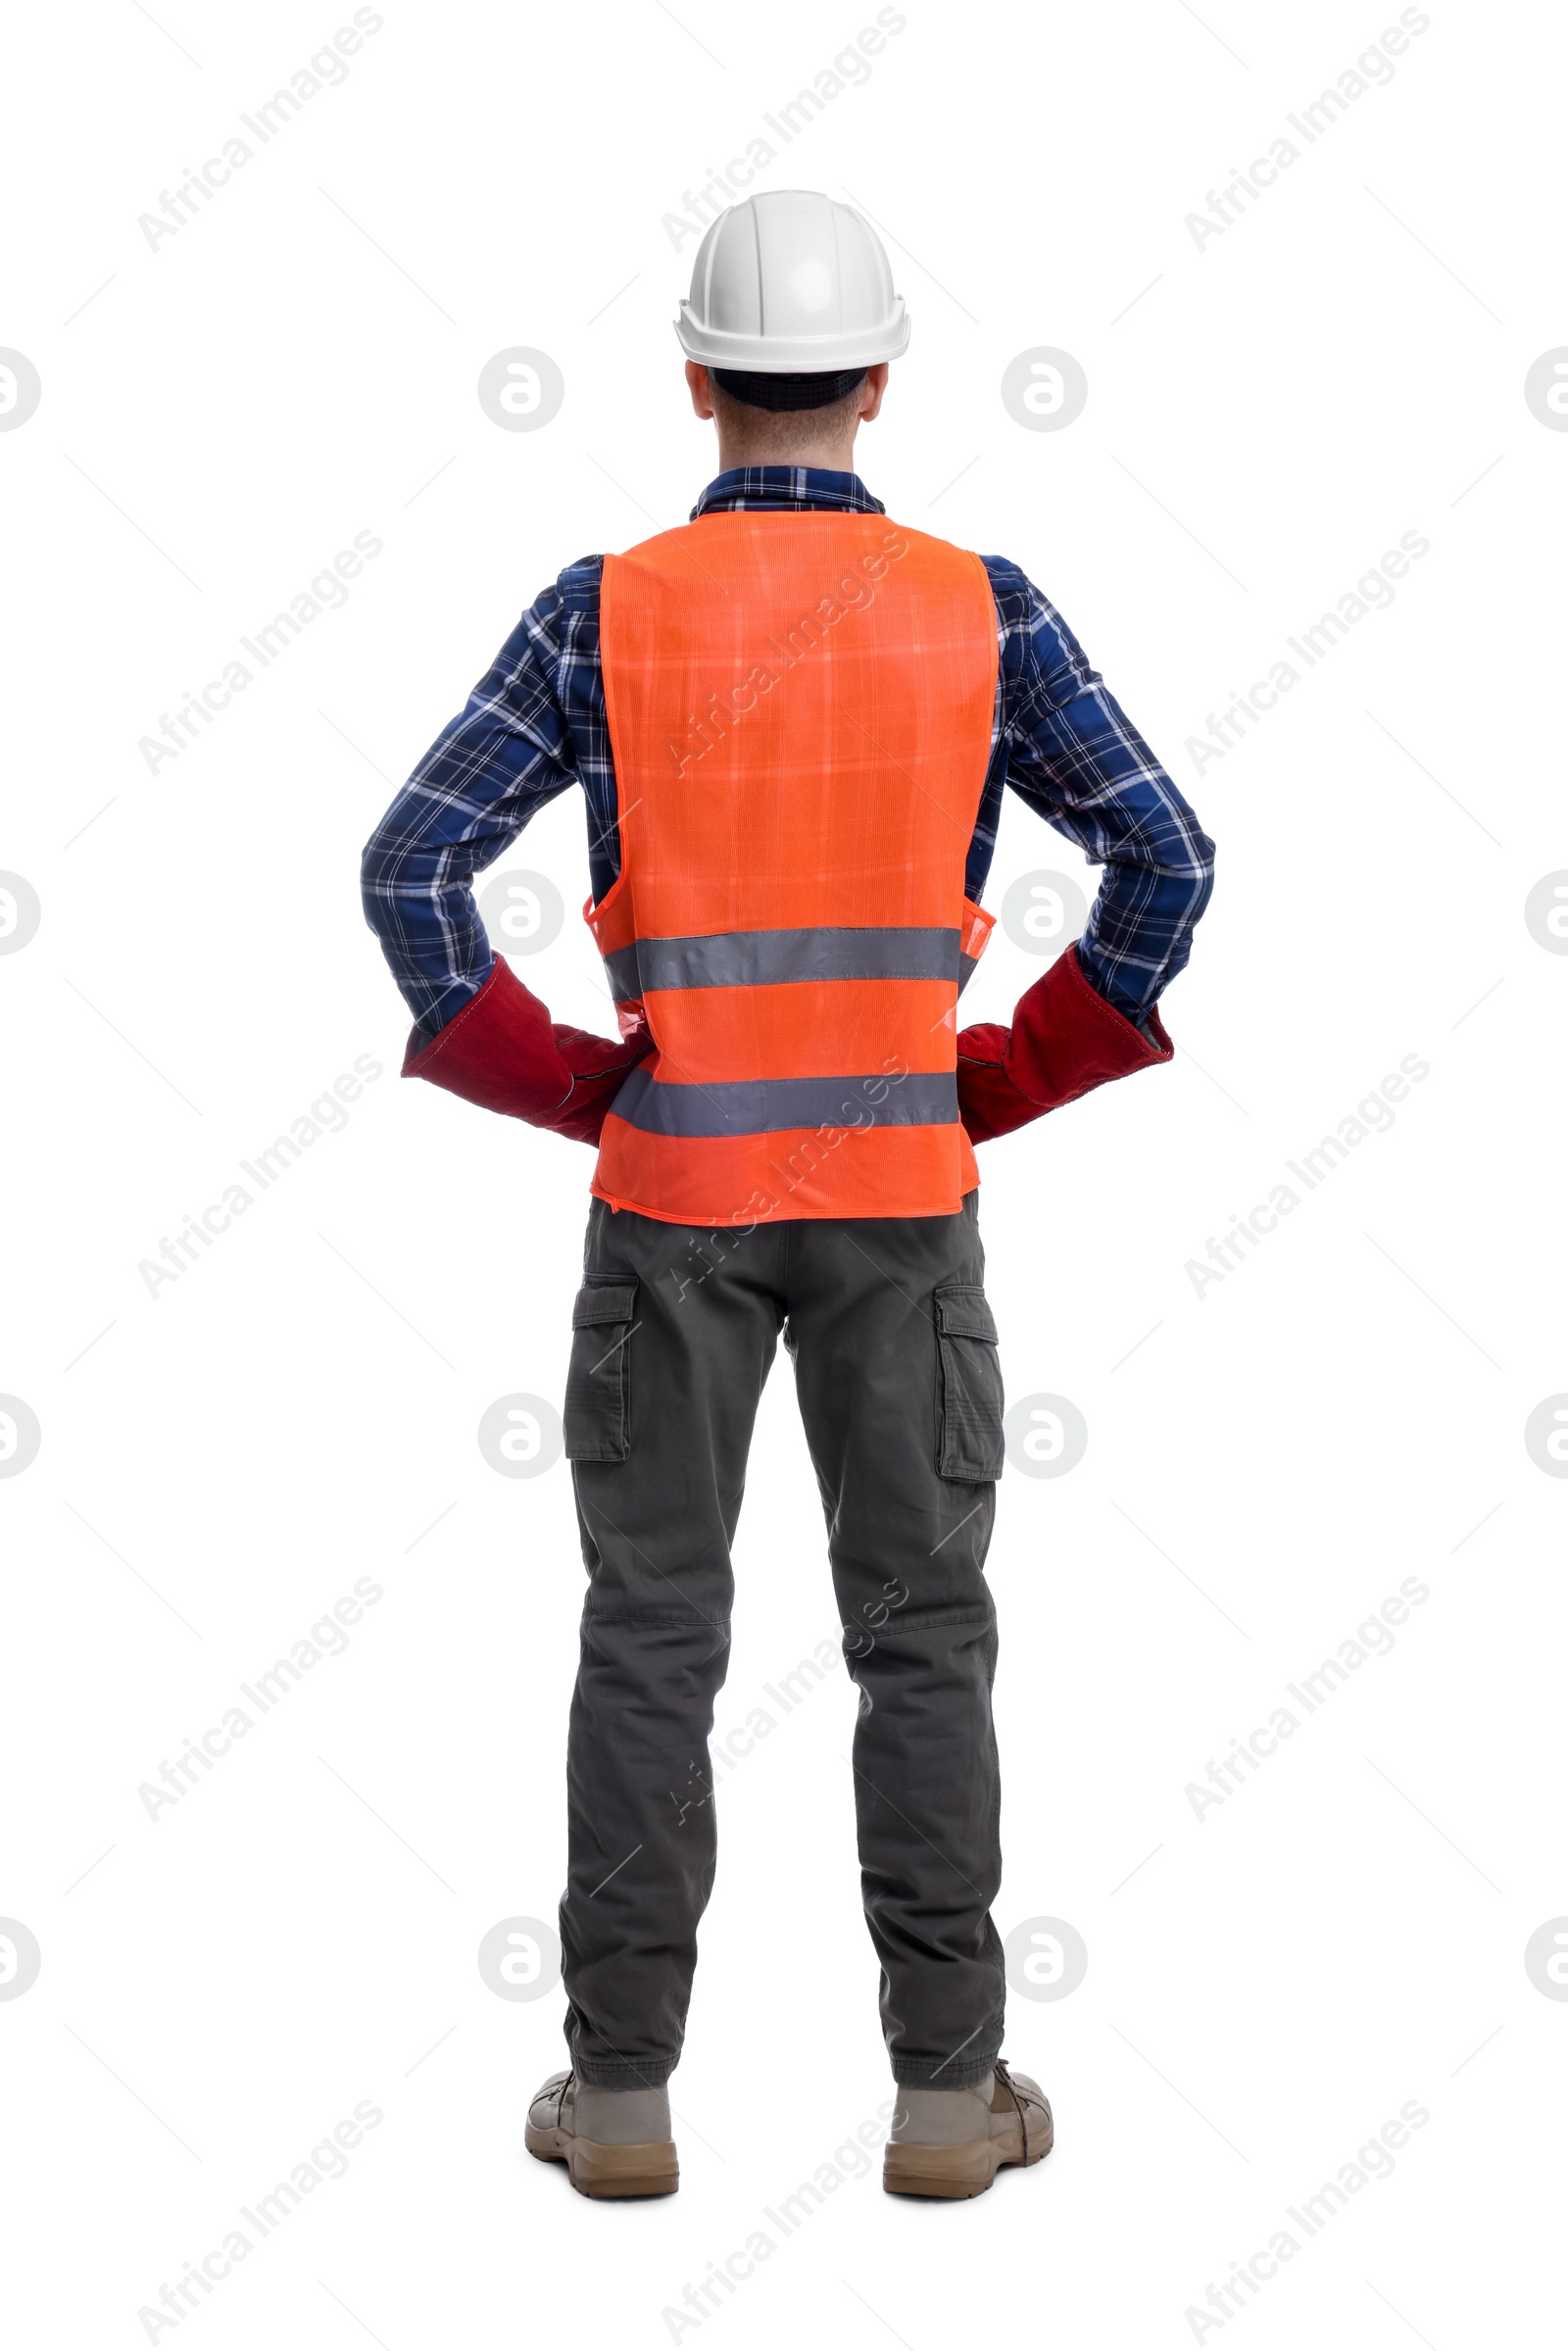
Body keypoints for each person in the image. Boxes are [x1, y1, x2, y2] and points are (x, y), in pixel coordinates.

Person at [361, 188, 1214, 2202]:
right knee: (921, 1634)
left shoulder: (601, 608)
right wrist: (1002, 1069)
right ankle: (946, 2096)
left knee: (651, 1630)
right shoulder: (978, 607)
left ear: (690, 375)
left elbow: (405, 873)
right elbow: (1164, 862)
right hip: (903, 1204)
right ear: (881, 374)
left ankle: (622, 2100)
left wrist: (571, 1084)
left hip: (671, 1202)